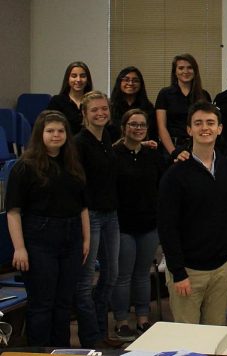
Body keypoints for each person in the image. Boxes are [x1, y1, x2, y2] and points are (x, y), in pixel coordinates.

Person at [6, 110, 89, 347]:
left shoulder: (73, 164)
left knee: (64, 303)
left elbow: (83, 205)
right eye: (50, 131)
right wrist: (19, 248)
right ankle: (39, 351)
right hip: (39, 240)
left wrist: (86, 239)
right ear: (40, 134)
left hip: (72, 237)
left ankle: (60, 350)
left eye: (60, 131)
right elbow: (13, 211)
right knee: (42, 304)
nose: (56, 135)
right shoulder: (24, 167)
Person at [157, 101, 227, 325]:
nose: (205, 128)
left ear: (219, 128)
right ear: (189, 130)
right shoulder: (175, 174)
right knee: (188, 341)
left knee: (215, 334)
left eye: (210, 123)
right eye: (198, 123)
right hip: (188, 272)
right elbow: (167, 226)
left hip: (221, 269)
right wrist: (178, 272)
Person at [110, 109, 167, 341]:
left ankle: (143, 319)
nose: (138, 128)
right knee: (123, 276)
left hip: (148, 225)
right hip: (122, 226)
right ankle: (122, 321)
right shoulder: (113, 155)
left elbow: (162, 185)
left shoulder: (152, 154)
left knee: (143, 274)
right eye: (133, 124)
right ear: (124, 127)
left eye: (142, 125)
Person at [74, 91, 121, 346]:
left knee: (111, 276)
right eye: (95, 110)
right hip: (89, 216)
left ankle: (102, 332)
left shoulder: (107, 138)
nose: (101, 113)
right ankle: (90, 338)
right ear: (84, 114)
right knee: (84, 282)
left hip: (110, 214)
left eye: (104, 108)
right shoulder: (79, 143)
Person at [156, 54, 212, 154]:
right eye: (181, 68)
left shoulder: (204, 95)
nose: (185, 71)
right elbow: (161, 128)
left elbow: (207, 125)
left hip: (197, 148)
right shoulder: (165, 94)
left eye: (190, 68)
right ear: (175, 72)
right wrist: (174, 153)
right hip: (171, 148)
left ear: (195, 71)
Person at [110, 67, 155, 141]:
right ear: (119, 82)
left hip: (142, 149)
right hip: (114, 149)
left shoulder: (148, 107)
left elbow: (152, 134)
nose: (130, 83)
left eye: (135, 81)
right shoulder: (110, 107)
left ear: (141, 84)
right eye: (126, 80)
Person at [47, 61, 93, 133]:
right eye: (74, 76)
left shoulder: (93, 102)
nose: (78, 80)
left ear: (88, 79)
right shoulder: (57, 101)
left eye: (82, 76)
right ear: (67, 79)